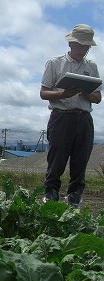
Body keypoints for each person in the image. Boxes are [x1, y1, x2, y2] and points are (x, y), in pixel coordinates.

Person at [40, 24, 101, 207]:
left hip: (84, 118)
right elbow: (43, 93)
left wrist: (86, 93)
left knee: (80, 160)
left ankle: (75, 196)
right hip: (61, 117)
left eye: (86, 47)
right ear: (70, 44)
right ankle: (51, 194)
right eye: (80, 46)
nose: (83, 50)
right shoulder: (54, 63)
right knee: (56, 159)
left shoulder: (92, 67)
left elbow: (97, 97)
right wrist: (62, 94)